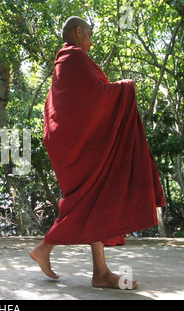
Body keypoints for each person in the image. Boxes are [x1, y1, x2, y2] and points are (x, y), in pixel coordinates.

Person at [29, 16, 166, 289]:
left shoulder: (64, 62)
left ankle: (99, 272)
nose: (91, 42)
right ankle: (47, 249)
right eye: (89, 35)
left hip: (75, 143)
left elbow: (77, 103)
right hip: (81, 145)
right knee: (88, 199)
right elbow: (95, 98)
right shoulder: (74, 58)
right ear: (79, 32)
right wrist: (125, 88)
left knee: (95, 200)